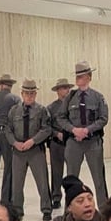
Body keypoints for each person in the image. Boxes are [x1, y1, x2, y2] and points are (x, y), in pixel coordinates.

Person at [55, 61, 109, 202]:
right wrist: (73, 130)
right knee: (71, 179)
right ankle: (71, 211)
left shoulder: (98, 97)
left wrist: (87, 130)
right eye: (77, 76)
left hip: (93, 142)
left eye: (81, 76)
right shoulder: (70, 98)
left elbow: (103, 119)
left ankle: (104, 211)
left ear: (89, 77)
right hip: (74, 142)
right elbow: (60, 117)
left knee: (99, 179)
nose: (78, 79)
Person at [5, 79, 53, 221]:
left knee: (42, 181)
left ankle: (46, 209)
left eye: (32, 93)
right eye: (27, 93)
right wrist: (14, 142)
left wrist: (33, 141)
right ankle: (17, 211)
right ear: (22, 93)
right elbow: (7, 129)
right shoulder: (14, 111)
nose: (30, 96)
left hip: (35, 150)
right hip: (18, 151)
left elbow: (46, 129)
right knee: (17, 184)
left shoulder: (42, 110)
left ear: (36, 93)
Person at [0, 74, 23, 204]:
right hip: (7, 135)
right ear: (11, 86)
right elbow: (19, 118)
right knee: (9, 169)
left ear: (0, 85)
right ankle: (6, 199)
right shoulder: (15, 99)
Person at [47, 78, 74, 209]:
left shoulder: (73, 105)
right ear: (58, 91)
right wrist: (56, 134)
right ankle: (56, 197)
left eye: (68, 88)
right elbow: (46, 126)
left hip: (71, 142)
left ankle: (72, 197)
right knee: (56, 172)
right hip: (56, 143)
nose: (67, 90)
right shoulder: (51, 108)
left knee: (72, 171)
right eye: (64, 88)